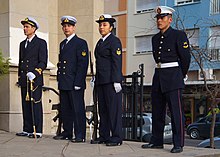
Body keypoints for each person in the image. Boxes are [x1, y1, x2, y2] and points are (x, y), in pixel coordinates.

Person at [141, 6, 191, 153]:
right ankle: (156, 141)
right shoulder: (155, 38)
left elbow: (185, 58)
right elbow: (157, 58)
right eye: (157, 18)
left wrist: (180, 75)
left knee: (176, 113)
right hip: (159, 76)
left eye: (162, 18)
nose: (159, 21)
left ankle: (178, 143)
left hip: (173, 77)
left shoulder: (178, 35)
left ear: (170, 19)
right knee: (157, 111)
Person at [53, 16, 89, 143]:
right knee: (65, 109)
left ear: (73, 27)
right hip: (64, 81)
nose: (66, 28)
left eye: (68, 26)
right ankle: (67, 132)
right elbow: (61, 63)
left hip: (75, 82)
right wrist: (59, 78)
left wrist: (79, 82)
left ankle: (80, 134)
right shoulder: (63, 44)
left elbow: (82, 64)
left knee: (77, 109)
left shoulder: (80, 43)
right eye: (64, 26)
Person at [90, 14, 123, 146]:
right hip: (101, 81)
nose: (101, 27)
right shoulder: (100, 42)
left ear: (111, 27)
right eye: (100, 25)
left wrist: (116, 80)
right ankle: (104, 135)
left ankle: (116, 137)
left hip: (111, 81)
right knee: (103, 110)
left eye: (104, 25)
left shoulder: (114, 41)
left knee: (113, 110)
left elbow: (117, 61)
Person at [16, 17, 48, 138]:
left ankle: (37, 130)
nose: (24, 29)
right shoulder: (22, 44)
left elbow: (43, 61)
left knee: (35, 104)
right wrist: (20, 77)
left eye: (27, 27)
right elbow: (21, 62)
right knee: (25, 104)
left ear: (34, 29)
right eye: (24, 27)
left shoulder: (41, 43)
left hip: (35, 79)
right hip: (25, 79)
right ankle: (27, 128)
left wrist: (35, 72)